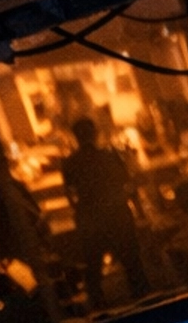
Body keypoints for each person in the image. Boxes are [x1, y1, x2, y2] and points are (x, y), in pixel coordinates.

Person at [60, 116, 148, 312]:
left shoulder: (70, 163)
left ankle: (100, 310)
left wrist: (80, 211)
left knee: (93, 268)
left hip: (90, 218)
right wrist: (138, 211)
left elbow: (70, 194)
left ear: (75, 137)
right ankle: (144, 303)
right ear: (95, 133)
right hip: (116, 214)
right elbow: (128, 185)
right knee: (132, 263)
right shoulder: (109, 156)